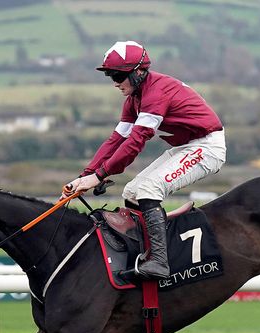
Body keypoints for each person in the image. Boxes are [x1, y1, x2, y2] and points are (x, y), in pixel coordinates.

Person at [61, 40, 226, 280]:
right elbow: (116, 140)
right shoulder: (133, 99)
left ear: (139, 71)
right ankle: (141, 253)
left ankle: (159, 261)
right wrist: (85, 176)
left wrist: (99, 176)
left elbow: (136, 141)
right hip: (188, 146)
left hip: (208, 147)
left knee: (149, 188)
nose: (115, 83)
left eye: (118, 75)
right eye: (110, 76)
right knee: (131, 192)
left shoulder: (156, 93)